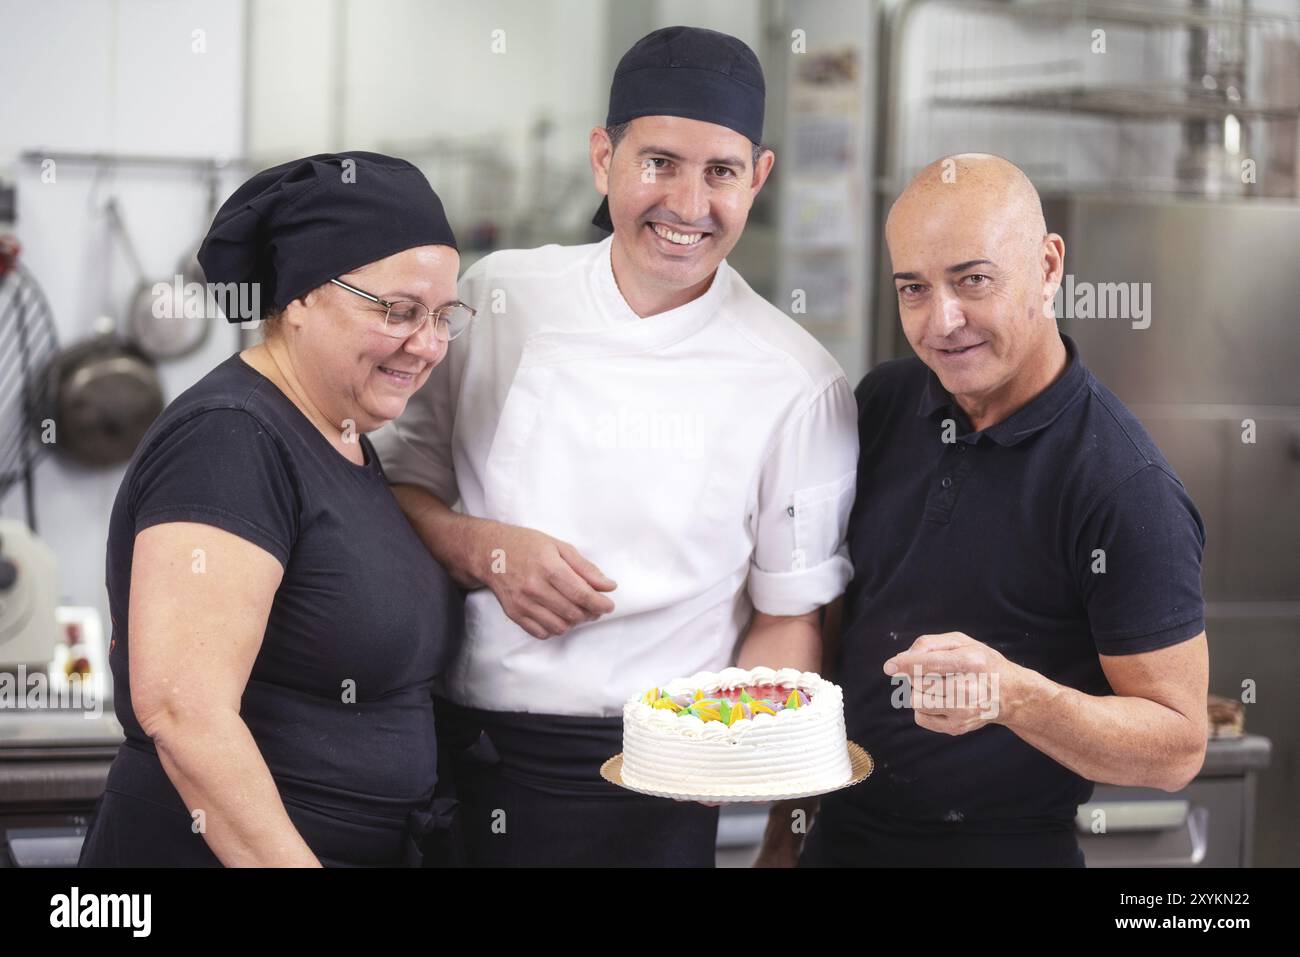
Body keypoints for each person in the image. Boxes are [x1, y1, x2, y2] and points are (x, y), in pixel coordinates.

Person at [370, 27, 858, 866]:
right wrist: (484, 548)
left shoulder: (798, 381)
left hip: (653, 784)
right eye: (658, 163)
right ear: (604, 159)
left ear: (760, 178)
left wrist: (731, 753)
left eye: (721, 173)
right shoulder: (499, 296)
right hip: (451, 747)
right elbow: (396, 492)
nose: (689, 206)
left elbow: (789, 616)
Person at [757, 153, 1209, 868]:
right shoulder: (884, 403)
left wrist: (1013, 696)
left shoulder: (1124, 484)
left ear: (1049, 265)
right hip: (839, 839)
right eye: (913, 288)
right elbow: (839, 631)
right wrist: (787, 832)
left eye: (973, 279)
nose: (943, 321)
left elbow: (1178, 746)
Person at [78, 152, 472, 867]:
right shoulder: (231, 438)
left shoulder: (342, 434)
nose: (429, 344)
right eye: (400, 311)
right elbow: (183, 712)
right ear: (299, 297)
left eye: (444, 315)